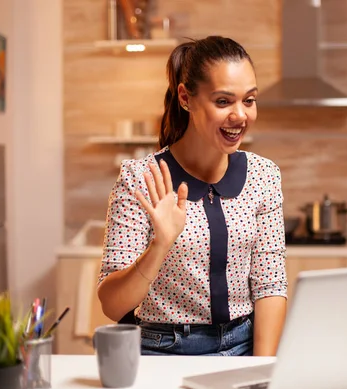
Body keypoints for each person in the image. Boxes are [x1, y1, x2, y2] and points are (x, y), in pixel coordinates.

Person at [97, 36, 288, 356]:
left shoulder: (263, 176)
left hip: (243, 346)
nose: (240, 115)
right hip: (161, 350)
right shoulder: (140, 178)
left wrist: (260, 371)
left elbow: (270, 286)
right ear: (186, 97)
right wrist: (160, 245)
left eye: (249, 100)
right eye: (224, 101)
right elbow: (111, 304)